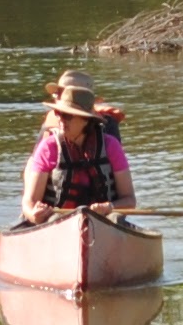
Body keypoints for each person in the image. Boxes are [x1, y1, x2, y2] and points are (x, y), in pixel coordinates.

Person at [18, 69, 137, 223]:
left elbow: (129, 201)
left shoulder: (110, 145)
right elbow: (29, 202)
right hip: (57, 222)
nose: (60, 119)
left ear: (86, 120)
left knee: (114, 218)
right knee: (52, 219)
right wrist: (33, 214)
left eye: (67, 115)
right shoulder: (48, 147)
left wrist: (110, 207)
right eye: (58, 113)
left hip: (102, 222)